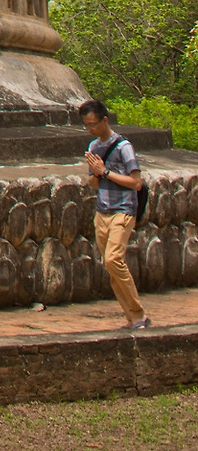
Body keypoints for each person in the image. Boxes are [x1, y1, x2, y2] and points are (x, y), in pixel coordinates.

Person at [80, 97, 149, 331]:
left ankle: (138, 314)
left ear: (105, 120)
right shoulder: (93, 147)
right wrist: (95, 173)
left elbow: (136, 183)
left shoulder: (123, 147)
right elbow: (94, 184)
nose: (90, 129)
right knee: (111, 267)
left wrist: (105, 171)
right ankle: (132, 317)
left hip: (123, 210)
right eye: (86, 125)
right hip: (103, 211)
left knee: (113, 259)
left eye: (93, 124)